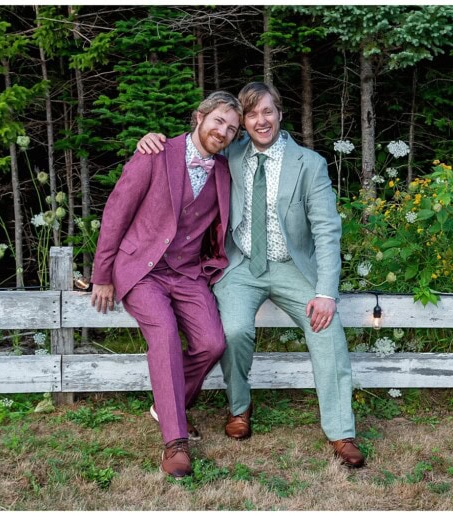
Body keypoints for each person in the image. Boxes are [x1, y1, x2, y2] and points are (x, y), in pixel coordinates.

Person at [136, 82, 364, 468]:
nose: (261, 121)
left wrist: (326, 292)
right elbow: (192, 147)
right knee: (233, 331)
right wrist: (152, 140)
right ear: (244, 123)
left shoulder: (308, 164)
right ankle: (239, 408)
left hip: (293, 267)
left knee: (326, 331)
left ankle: (342, 432)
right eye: (252, 114)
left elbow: (327, 231)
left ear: (279, 114)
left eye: (268, 112)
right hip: (241, 265)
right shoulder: (230, 156)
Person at [91, 91, 242, 479]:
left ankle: (167, 404)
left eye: (232, 128)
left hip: (189, 273)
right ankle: (175, 441)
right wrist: (102, 275)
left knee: (213, 342)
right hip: (143, 271)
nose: (223, 131)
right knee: (164, 334)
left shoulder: (225, 171)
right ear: (199, 117)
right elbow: (115, 213)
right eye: (218, 121)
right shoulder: (155, 153)